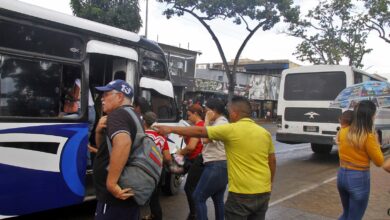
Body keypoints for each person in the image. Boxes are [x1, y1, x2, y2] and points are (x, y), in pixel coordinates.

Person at [155, 96, 276, 220]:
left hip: (241, 194)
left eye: (229, 112)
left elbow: (200, 132)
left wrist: (170, 129)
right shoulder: (264, 133)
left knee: (198, 197)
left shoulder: (230, 129)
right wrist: (270, 183)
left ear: (234, 113)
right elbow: (272, 161)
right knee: (217, 199)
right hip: (263, 192)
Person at [93, 79, 140, 220]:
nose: (102, 98)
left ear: (119, 97)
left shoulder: (117, 115)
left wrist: (111, 184)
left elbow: (123, 143)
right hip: (127, 193)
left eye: (106, 94)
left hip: (114, 198)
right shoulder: (133, 115)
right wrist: (98, 132)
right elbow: (104, 148)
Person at [337, 100, 384, 220]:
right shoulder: (368, 136)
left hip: (342, 175)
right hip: (358, 178)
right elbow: (379, 161)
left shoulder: (343, 131)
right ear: (370, 116)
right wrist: (377, 141)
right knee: (354, 217)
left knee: (346, 214)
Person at [193, 98, 228, 220]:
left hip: (215, 165)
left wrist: (206, 120)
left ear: (214, 111)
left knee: (198, 197)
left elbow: (205, 138)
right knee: (218, 199)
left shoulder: (221, 124)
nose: (205, 113)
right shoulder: (220, 123)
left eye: (207, 111)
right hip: (220, 166)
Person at [142, 112, 172, 220]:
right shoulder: (161, 137)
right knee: (154, 198)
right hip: (157, 172)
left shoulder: (140, 135)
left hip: (140, 171)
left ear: (144, 122)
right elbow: (168, 158)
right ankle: (156, 216)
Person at [177, 103, 205, 220]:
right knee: (194, 188)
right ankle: (196, 213)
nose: (188, 118)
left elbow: (191, 147)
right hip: (194, 160)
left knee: (189, 188)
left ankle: (194, 214)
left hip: (196, 161)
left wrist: (179, 153)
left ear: (195, 114)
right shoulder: (196, 125)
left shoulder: (199, 126)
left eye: (189, 115)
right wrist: (184, 135)